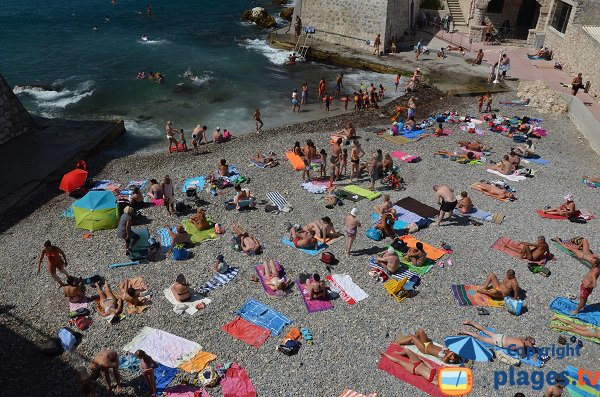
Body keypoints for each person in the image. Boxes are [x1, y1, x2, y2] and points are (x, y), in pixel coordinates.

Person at [461, 320, 537, 361]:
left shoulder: (521, 339)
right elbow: (522, 356)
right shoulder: (521, 345)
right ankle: (466, 332)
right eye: (532, 344)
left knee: (484, 330)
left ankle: (471, 322)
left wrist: (531, 349)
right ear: (528, 341)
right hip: (499, 341)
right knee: (481, 338)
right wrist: (527, 353)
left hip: (501, 336)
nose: (532, 345)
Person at [394, 329, 460, 363]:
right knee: (421, 331)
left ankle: (399, 343)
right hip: (428, 343)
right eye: (453, 355)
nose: (452, 355)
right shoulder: (449, 350)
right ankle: (414, 340)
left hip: (424, 348)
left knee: (412, 337)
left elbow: (444, 361)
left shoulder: (446, 358)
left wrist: (451, 355)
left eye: (452, 356)